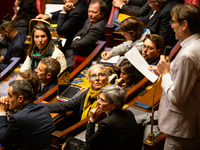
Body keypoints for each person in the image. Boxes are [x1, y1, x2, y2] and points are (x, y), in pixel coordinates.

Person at [149, 4, 200, 149]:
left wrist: (165, 74)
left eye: (173, 21)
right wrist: (166, 71)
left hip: (181, 129)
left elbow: (177, 98)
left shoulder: (188, 54)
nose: (171, 26)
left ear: (184, 24)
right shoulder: (195, 45)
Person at [0, 80, 55, 149]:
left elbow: (3, 141)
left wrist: (2, 112)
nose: (7, 99)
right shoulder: (42, 106)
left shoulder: (17, 119)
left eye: (10, 96)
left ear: (20, 99)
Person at [86, 85, 142, 150]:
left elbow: (89, 144)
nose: (98, 102)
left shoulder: (106, 123)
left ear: (113, 105)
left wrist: (92, 120)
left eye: (102, 100)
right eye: (99, 98)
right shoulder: (128, 113)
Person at [66, 0, 107, 72]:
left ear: (102, 14)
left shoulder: (98, 28)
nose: (90, 14)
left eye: (94, 12)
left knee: (56, 63)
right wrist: (77, 38)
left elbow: (76, 45)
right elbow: (80, 32)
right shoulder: (91, 19)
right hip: (76, 50)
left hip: (82, 59)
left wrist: (76, 39)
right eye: (89, 11)